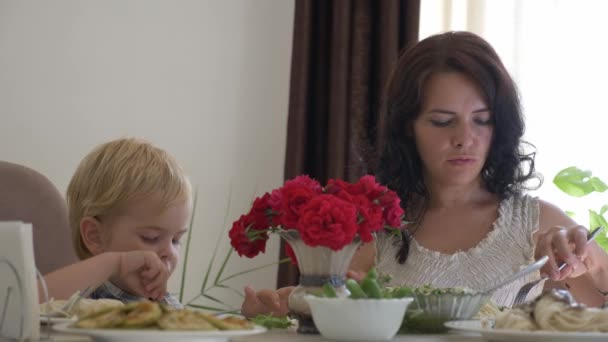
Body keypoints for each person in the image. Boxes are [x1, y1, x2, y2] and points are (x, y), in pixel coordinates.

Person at [241, 31, 608, 316]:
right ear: (407, 127)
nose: (465, 139)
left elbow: (598, 311)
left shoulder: (536, 222)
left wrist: (591, 260)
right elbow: (329, 319)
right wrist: (287, 312)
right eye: (442, 121)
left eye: (482, 120)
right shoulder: (377, 228)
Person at [38, 138, 192, 308]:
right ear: (95, 237)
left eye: (176, 240)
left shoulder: (167, 305)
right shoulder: (84, 297)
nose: (169, 252)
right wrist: (118, 263)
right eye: (151, 237)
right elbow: (25, 303)